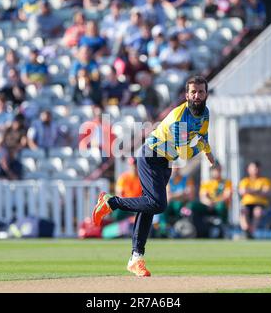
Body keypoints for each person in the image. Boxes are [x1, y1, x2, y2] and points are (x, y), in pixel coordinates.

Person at [92, 76, 215, 277]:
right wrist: (201, 148)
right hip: (150, 156)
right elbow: (184, 153)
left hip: (165, 162)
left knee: (149, 207)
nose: (197, 95)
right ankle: (111, 202)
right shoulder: (179, 118)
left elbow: (203, 134)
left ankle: (136, 258)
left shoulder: (205, 113)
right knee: (158, 204)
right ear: (186, 95)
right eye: (193, 92)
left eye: (201, 91)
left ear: (206, 93)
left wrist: (207, 150)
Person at [239, 161, 271, 239]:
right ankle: (246, 230)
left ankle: (251, 232)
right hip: (247, 204)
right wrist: (258, 191)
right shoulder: (245, 181)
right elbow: (242, 191)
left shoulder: (265, 180)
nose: (255, 170)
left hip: (261, 204)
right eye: (253, 168)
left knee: (258, 211)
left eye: (257, 168)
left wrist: (250, 191)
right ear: (248, 169)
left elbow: (267, 192)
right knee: (243, 211)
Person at [198, 162, 232, 232]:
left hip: (219, 206)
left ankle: (223, 228)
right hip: (208, 206)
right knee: (195, 206)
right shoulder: (206, 183)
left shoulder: (226, 182)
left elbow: (226, 196)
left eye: (219, 170)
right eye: (215, 170)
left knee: (221, 206)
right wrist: (208, 203)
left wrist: (214, 203)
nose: (217, 172)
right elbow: (203, 197)